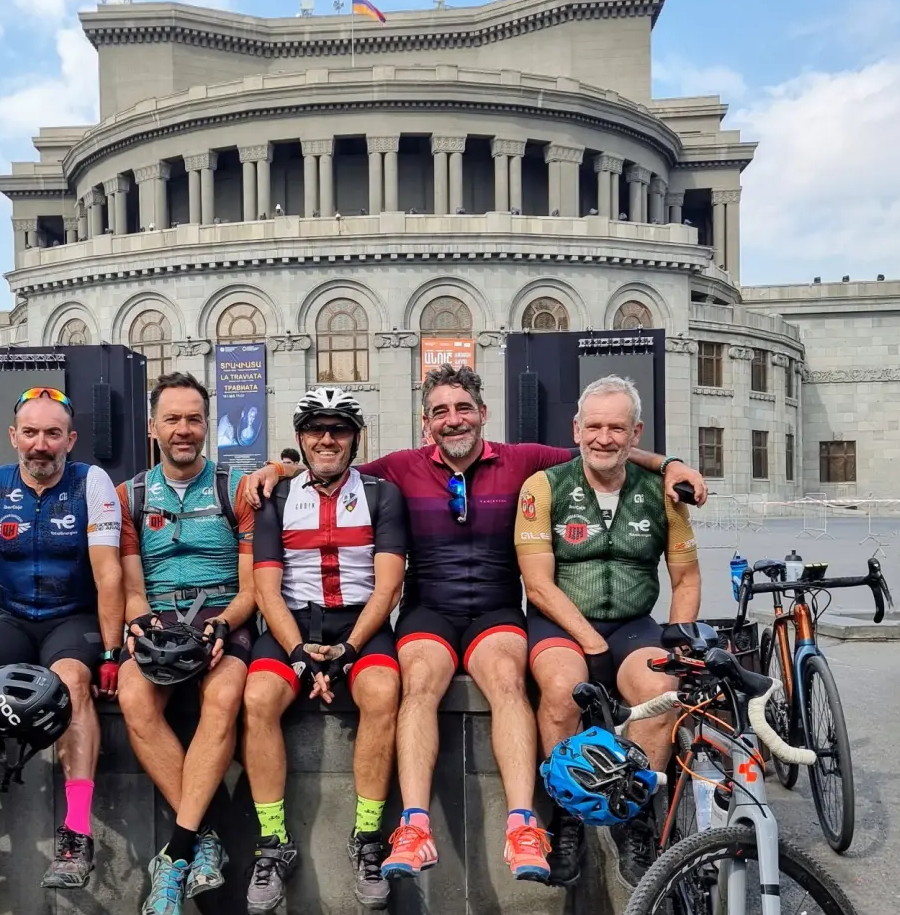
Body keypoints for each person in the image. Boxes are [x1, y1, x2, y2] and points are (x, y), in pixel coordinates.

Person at [248, 365, 705, 888]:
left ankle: (523, 825)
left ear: (483, 414)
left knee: (509, 683)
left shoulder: (523, 461)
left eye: (463, 408)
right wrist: (278, 468)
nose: (453, 420)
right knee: (417, 684)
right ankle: (414, 826)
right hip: (428, 611)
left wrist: (668, 464)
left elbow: (602, 450)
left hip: (496, 611)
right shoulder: (400, 468)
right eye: (441, 411)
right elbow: (328, 462)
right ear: (427, 422)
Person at [0, 386, 124, 903]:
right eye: (32, 433)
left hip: (74, 618)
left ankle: (76, 835)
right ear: (14, 436)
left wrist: (110, 653)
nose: (42, 445)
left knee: (71, 682)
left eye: (53, 434)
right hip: (17, 617)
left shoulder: (92, 482)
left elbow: (109, 575)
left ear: (71, 440)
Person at [514, 374, 701, 888]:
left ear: (635, 432)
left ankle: (634, 816)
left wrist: (681, 634)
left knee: (662, 692)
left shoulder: (664, 495)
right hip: (558, 620)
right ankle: (568, 816)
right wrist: (588, 639)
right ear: (576, 429)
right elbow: (537, 582)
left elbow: (685, 576)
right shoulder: (544, 486)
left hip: (633, 623)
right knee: (560, 690)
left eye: (616, 427)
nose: (604, 437)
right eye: (593, 426)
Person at [243, 386, 409, 913]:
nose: (327, 438)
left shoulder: (383, 495)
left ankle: (367, 839)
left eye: (339, 428)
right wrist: (296, 653)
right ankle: (273, 842)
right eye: (316, 428)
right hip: (293, 623)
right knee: (258, 699)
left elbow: (388, 587)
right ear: (300, 438)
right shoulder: (277, 497)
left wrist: (349, 649)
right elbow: (266, 590)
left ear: (355, 439)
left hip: (361, 622)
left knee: (382, 691)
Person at [116, 373, 262, 915]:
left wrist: (223, 624)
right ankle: (202, 842)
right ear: (153, 427)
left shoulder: (237, 489)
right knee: (133, 695)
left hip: (222, 614)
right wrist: (136, 625)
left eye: (194, 419)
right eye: (172, 419)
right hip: (158, 619)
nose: (184, 430)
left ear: (208, 425)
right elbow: (131, 588)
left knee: (225, 693)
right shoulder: (130, 496)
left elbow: (252, 588)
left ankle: (174, 853)